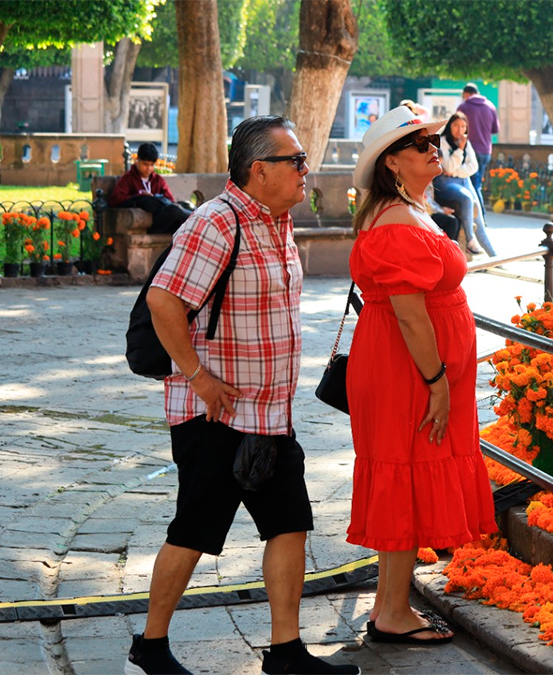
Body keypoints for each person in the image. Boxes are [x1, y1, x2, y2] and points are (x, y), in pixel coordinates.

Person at [126, 116, 359, 675]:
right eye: (296, 161)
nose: (307, 170)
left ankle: (285, 653)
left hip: (269, 415)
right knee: (195, 530)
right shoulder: (216, 224)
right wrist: (197, 375)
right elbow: (164, 302)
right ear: (260, 169)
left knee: (289, 523)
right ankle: (151, 646)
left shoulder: (277, 224)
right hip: (216, 413)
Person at [348, 105, 497, 645]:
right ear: (392, 162)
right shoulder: (394, 221)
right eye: (421, 145)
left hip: (409, 365)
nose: (435, 149)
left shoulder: (407, 206)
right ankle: (391, 611)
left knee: (406, 478)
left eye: (435, 140)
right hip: (407, 370)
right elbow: (410, 315)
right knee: (403, 477)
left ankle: (392, 607)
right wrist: (437, 381)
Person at [434, 112, 496, 256]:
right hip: (445, 182)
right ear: (450, 126)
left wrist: (455, 172)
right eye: (456, 125)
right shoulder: (442, 141)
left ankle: (494, 256)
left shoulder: (466, 142)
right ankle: (470, 240)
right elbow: (447, 167)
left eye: (463, 126)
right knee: (467, 198)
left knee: (478, 217)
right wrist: (460, 150)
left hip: (463, 180)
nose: (459, 130)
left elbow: (472, 167)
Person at [109, 143, 193, 235]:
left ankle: (195, 219)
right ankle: (195, 219)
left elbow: (169, 200)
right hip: (150, 224)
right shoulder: (128, 179)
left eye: (151, 165)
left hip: (164, 221)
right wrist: (139, 197)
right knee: (175, 210)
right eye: (145, 164)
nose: (148, 169)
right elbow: (115, 199)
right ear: (137, 160)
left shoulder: (158, 180)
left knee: (182, 207)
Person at [455, 83, 499, 205]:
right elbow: (495, 130)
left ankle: (479, 216)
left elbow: (455, 129)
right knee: (477, 184)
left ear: (466, 94)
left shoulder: (464, 107)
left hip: (468, 149)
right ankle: (478, 216)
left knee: (471, 185)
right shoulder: (490, 106)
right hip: (486, 150)